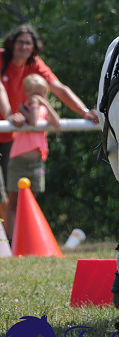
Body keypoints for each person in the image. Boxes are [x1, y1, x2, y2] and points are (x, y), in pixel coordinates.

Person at [0, 24, 99, 224]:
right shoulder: (1, 58)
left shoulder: (35, 64)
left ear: (34, 46)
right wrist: (10, 115)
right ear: (11, 44)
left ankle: (11, 241)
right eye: (20, 42)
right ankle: (9, 239)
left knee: (14, 194)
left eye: (28, 43)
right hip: (9, 124)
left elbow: (59, 88)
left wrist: (85, 112)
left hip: (13, 137)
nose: (23, 47)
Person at [3, 75, 61, 237]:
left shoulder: (44, 109)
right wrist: (34, 105)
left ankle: (29, 237)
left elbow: (57, 123)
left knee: (31, 202)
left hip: (36, 162)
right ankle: (13, 239)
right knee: (13, 202)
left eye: (43, 93)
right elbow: (33, 122)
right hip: (18, 160)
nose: (39, 97)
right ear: (27, 94)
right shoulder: (23, 108)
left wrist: (46, 105)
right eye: (35, 93)